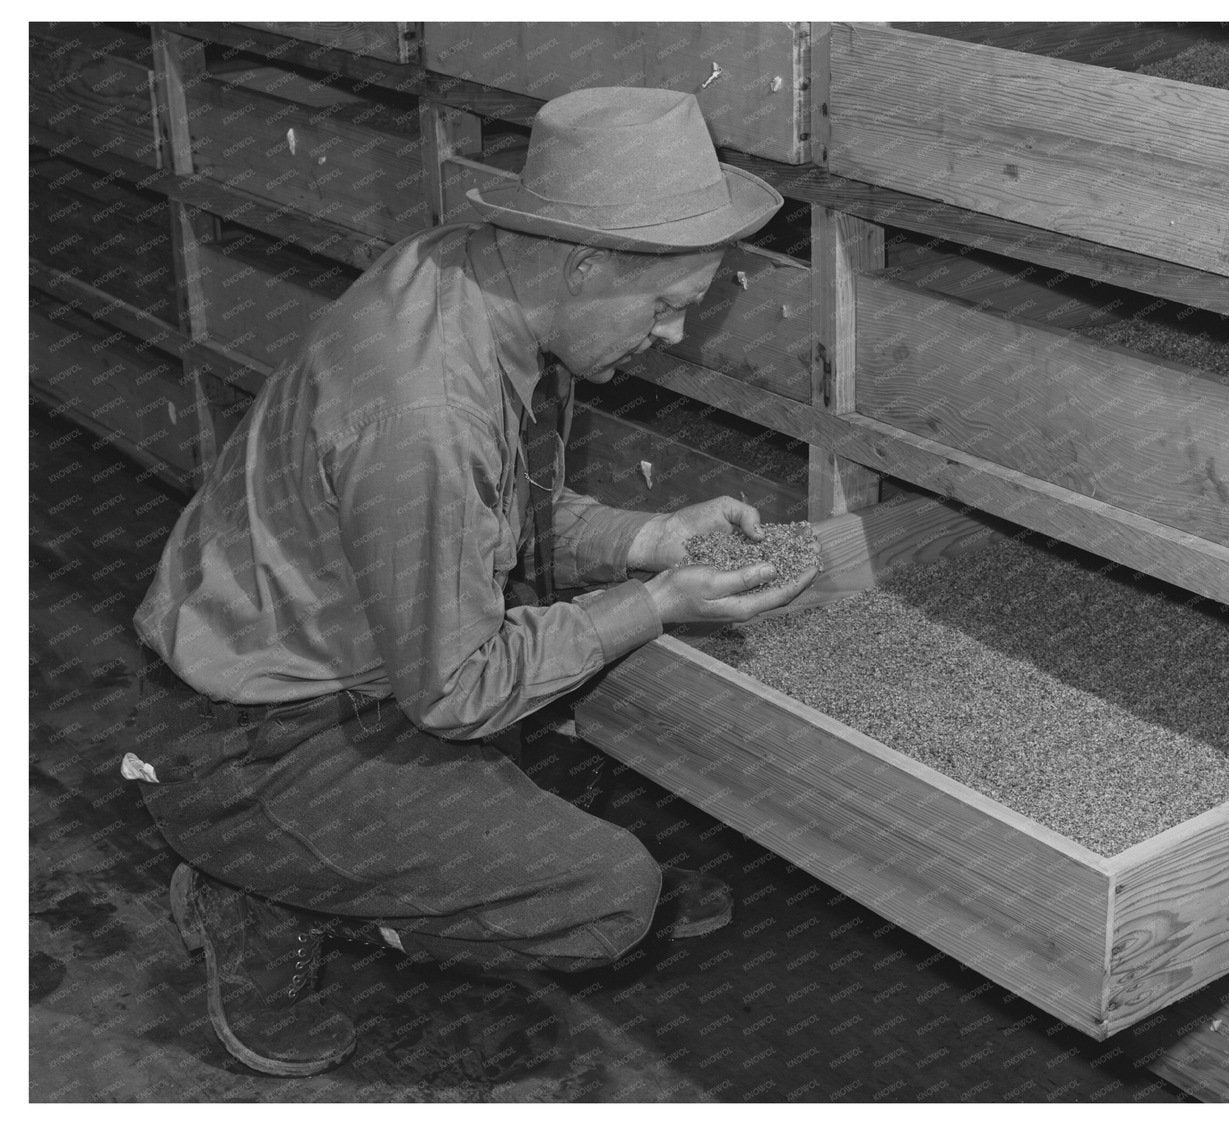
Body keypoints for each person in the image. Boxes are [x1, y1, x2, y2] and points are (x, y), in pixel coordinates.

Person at [124, 86, 819, 1077]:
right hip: (255, 736)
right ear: (582, 263)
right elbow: (458, 690)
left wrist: (650, 538)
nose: (671, 335)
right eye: (665, 307)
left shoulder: (467, 278)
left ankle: (393, 851)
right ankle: (259, 877)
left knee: (566, 728)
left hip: (339, 652)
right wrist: (653, 604)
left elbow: (501, 510)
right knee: (609, 899)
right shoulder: (427, 412)